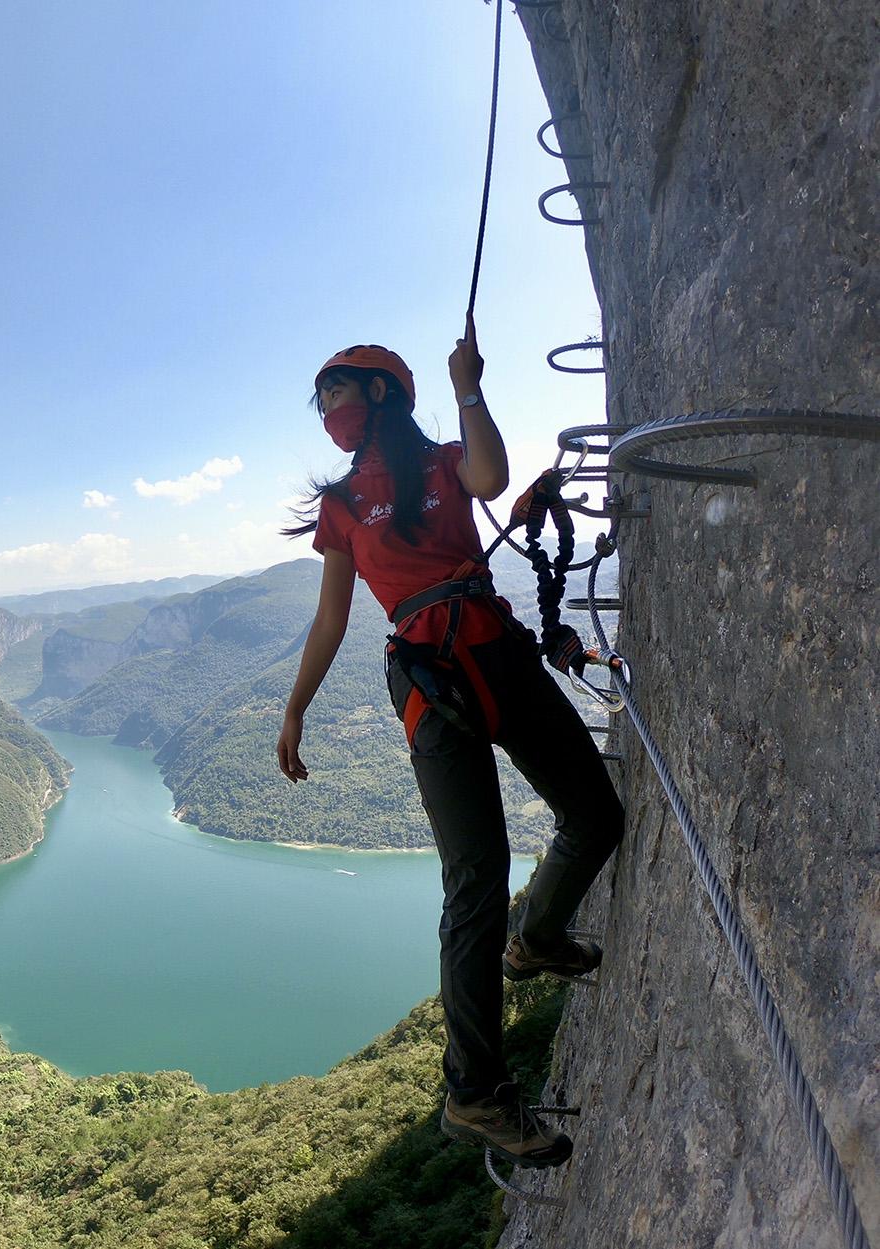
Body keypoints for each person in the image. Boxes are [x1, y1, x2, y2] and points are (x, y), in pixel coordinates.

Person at [276, 316, 623, 1169]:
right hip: (428, 677)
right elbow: (331, 616)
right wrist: (294, 710)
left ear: (382, 392)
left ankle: (537, 938)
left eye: (336, 388)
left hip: (490, 647)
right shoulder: (342, 505)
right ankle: (472, 1091)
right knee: (474, 881)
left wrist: (469, 384)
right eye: (319, 395)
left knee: (594, 814)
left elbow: (492, 475)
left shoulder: (437, 463)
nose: (326, 407)